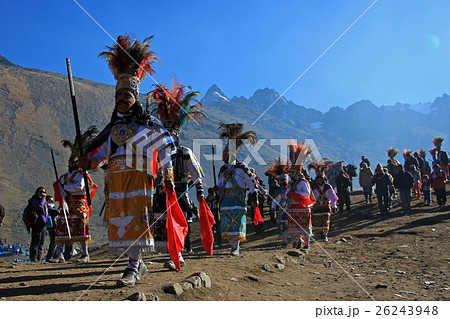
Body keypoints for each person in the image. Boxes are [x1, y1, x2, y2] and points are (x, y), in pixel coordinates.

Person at [80, 35, 177, 286]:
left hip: (139, 178)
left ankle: (132, 268)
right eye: (118, 95)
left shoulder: (147, 125)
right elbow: (103, 155)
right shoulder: (112, 129)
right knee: (121, 224)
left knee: (135, 222)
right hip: (117, 180)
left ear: (135, 97)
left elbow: (166, 149)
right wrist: (90, 163)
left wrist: (168, 176)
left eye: (127, 95)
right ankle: (138, 263)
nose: (122, 99)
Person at [149, 80, 206, 270]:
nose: (169, 135)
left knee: (176, 224)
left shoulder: (184, 152)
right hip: (160, 193)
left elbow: (196, 174)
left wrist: (199, 191)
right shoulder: (155, 153)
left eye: (172, 131)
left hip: (179, 192)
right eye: (167, 131)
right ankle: (169, 255)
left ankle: (178, 256)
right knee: (162, 225)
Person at [52, 129, 99, 264]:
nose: (73, 163)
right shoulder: (66, 176)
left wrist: (65, 188)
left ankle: (85, 254)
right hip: (67, 205)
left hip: (79, 205)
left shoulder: (82, 175)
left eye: (75, 161)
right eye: (71, 161)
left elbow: (79, 187)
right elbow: (59, 185)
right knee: (62, 227)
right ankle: (59, 255)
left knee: (81, 229)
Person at [216, 122, 258, 256]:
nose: (224, 156)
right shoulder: (223, 169)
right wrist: (215, 190)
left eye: (226, 153)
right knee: (227, 225)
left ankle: (236, 247)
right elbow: (220, 184)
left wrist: (254, 196)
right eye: (223, 153)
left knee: (237, 223)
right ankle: (232, 245)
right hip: (225, 201)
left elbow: (252, 183)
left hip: (238, 199)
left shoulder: (242, 168)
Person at [310, 174, 337, 242]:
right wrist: (312, 206)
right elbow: (313, 197)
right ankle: (320, 233)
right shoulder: (315, 188)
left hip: (325, 206)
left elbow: (332, 197)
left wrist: (333, 205)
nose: (319, 180)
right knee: (317, 220)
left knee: (325, 220)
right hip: (317, 206)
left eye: (321, 178)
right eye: (318, 179)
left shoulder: (328, 187)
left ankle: (325, 235)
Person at [28, 187, 50, 262]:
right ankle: (33, 258)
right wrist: (43, 199)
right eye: (40, 192)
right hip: (36, 222)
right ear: (37, 192)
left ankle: (39, 257)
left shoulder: (43, 201)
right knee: (36, 240)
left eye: (44, 192)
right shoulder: (35, 200)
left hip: (43, 222)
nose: (42, 193)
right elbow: (39, 207)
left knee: (41, 241)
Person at [45, 195, 59, 262]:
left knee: (56, 242)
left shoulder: (51, 208)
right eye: (50, 201)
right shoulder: (48, 208)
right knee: (53, 242)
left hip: (55, 226)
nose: (51, 202)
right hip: (52, 227)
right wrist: (60, 207)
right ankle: (49, 257)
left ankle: (55, 256)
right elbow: (56, 212)